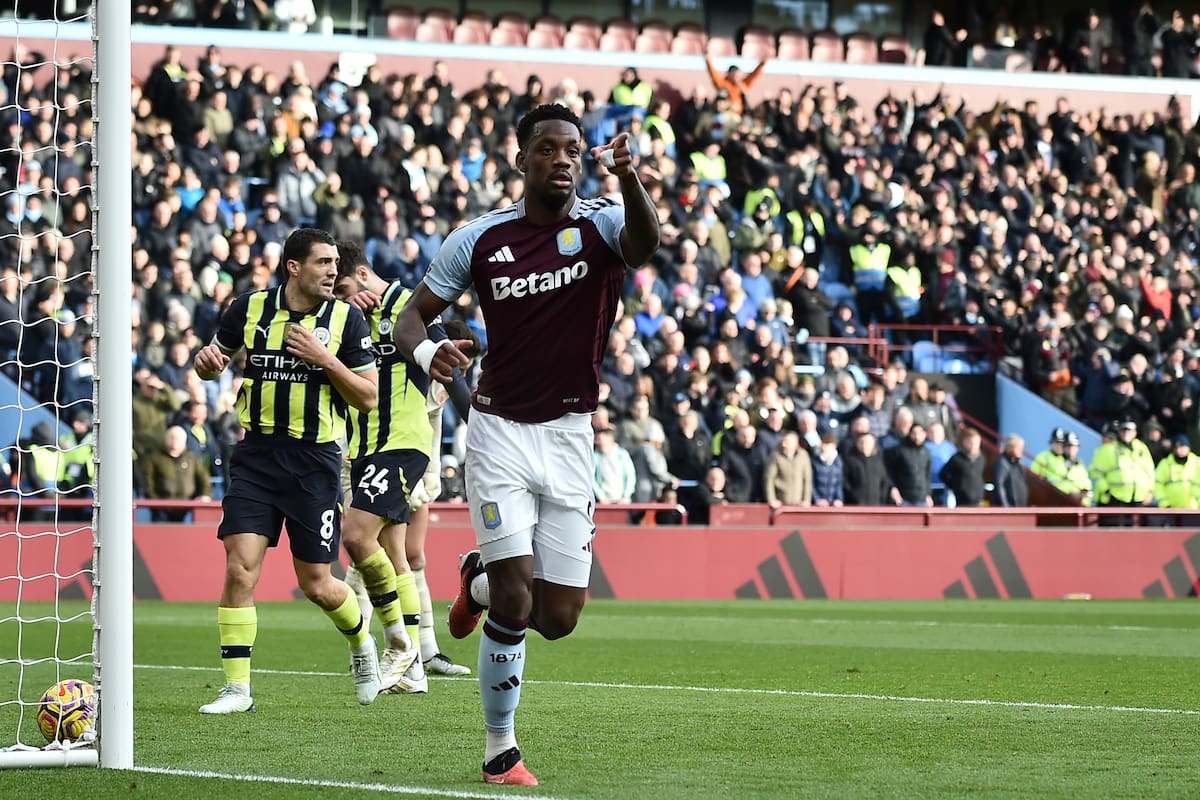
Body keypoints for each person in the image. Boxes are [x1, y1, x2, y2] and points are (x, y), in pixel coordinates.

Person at [392, 105, 659, 786]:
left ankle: (474, 582)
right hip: (499, 433)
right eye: (547, 149)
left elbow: (645, 244)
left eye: (572, 149)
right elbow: (409, 317)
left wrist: (630, 178)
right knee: (517, 600)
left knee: (560, 618)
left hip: (570, 436)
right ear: (522, 160)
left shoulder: (603, 223)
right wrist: (427, 353)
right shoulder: (480, 239)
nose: (561, 159)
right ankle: (500, 750)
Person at [192, 227, 380, 714]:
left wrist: (325, 359)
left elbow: (367, 396)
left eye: (335, 263)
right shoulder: (248, 308)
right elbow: (213, 361)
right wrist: (206, 365)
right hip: (256, 456)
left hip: (314, 462)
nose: (333, 271)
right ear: (293, 267)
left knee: (318, 583)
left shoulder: (346, 320)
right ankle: (237, 690)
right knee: (239, 568)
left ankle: (361, 642)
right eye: (323, 262)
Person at [332, 239, 454, 695]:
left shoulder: (411, 305)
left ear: (363, 275)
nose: (341, 300)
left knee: (356, 535)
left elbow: (443, 362)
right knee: (393, 550)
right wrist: (346, 316)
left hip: (402, 442)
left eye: (344, 289)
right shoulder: (342, 319)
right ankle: (415, 669)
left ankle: (399, 643)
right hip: (363, 445)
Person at [138, 425, 212, 522]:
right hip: (161, 509)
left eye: (178, 438)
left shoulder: (191, 458)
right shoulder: (154, 458)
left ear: (184, 441)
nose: (174, 440)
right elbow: (147, 482)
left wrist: (205, 494)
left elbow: (203, 477)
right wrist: (155, 501)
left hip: (187, 509)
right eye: (171, 437)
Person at [1090, 418, 1155, 526]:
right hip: (1115, 499)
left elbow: (1150, 471)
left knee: (1136, 533)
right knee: (1113, 532)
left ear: (1135, 432)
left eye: (1129, 430)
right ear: (1119, 432)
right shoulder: (1109, 449)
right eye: (1124, 430)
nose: (1126, 433)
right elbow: (1096, 473)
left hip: (1138, 498)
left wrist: (1150, 491)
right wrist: (1106, 490)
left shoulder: (1141, 448)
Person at [1154, 435, 1200, 523]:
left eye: (1182, 447)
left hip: (1195, 510)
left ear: (1189, 448)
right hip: (1172, 512)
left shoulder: (1197, 463)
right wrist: (1165, 504)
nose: (1180, 450)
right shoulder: (1165, 464)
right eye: (1177, 447)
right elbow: (1157, 485)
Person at [938, 428, 986, 507]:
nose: (974, 445)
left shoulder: (981, 458)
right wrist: (955, 487)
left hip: (978, 500)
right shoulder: (956, 458)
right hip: (961, 501)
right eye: (971, 442)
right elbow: (943, 474)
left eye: (976, 443)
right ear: (964, 442)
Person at [992, 434, 1029, 507]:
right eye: (1018, 448)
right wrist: (1006, 507)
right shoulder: (1002, 463)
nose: (1021, 450)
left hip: (1020, 507)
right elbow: (999, 485)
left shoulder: (1019, 464)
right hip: (1008, 509)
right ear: (1009, 447)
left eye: (1022, 448)